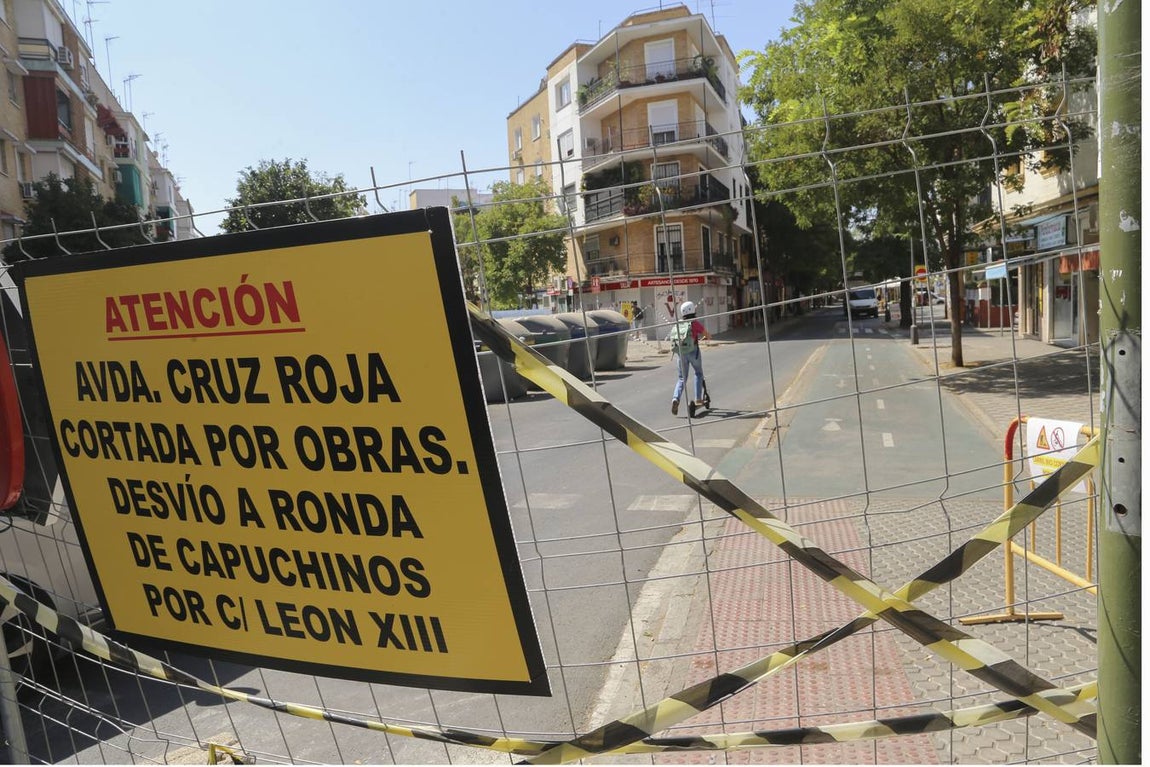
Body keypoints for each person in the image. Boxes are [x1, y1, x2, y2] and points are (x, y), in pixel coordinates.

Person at [668, 300, 710, 416]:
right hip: (693, 351)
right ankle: (698, 399)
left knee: (682, 378)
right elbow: (707, 334)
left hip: (681, 354)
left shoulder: (679, 323)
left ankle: (675, 398)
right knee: (698, 373)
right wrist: (706, 337)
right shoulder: (694, 323)